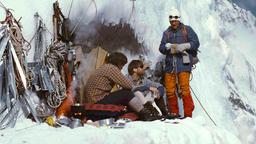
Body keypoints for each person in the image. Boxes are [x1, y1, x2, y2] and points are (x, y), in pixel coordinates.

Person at [84, 52, 159, 121]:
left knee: (125, 95)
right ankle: (145, 114)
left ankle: (144, 112)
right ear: (118, 63)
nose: (122, 67)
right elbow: (128, 85)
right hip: (97, 100)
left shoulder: (104, 68)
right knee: (126, 93)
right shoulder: (111, 68)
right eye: (122, 65)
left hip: (94, 98)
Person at [159, 8, 200, 118]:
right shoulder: (166, 33)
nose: (174, 22)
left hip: (183, 64)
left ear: (179, 19)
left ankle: (188, 115)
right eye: (172, 21)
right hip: (170, 66)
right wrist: (168, 48)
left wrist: (185, 46)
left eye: (175, 20)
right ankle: (174, 113)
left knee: (184, 89)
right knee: (170, 91)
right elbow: (161, 48)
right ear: (169, 21)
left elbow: (196, 43)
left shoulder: (187, 30)